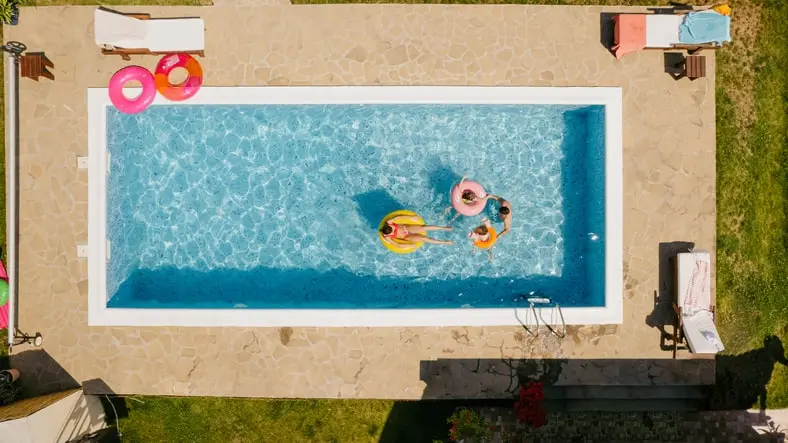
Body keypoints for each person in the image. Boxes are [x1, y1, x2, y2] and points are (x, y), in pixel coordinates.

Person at [380, 220, 454, 246]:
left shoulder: (389, 222)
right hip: (406, 237)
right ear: (388, 234)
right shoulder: (387, 237)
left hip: (407, 228)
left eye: (392, 229)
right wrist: (409, 245)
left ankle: (444, 228)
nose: (394, 230)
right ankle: (444, 242)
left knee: (424, 228)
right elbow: (397, 244)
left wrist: (412, 217)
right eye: (392, 232)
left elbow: (401, 216)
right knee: (423, 238)